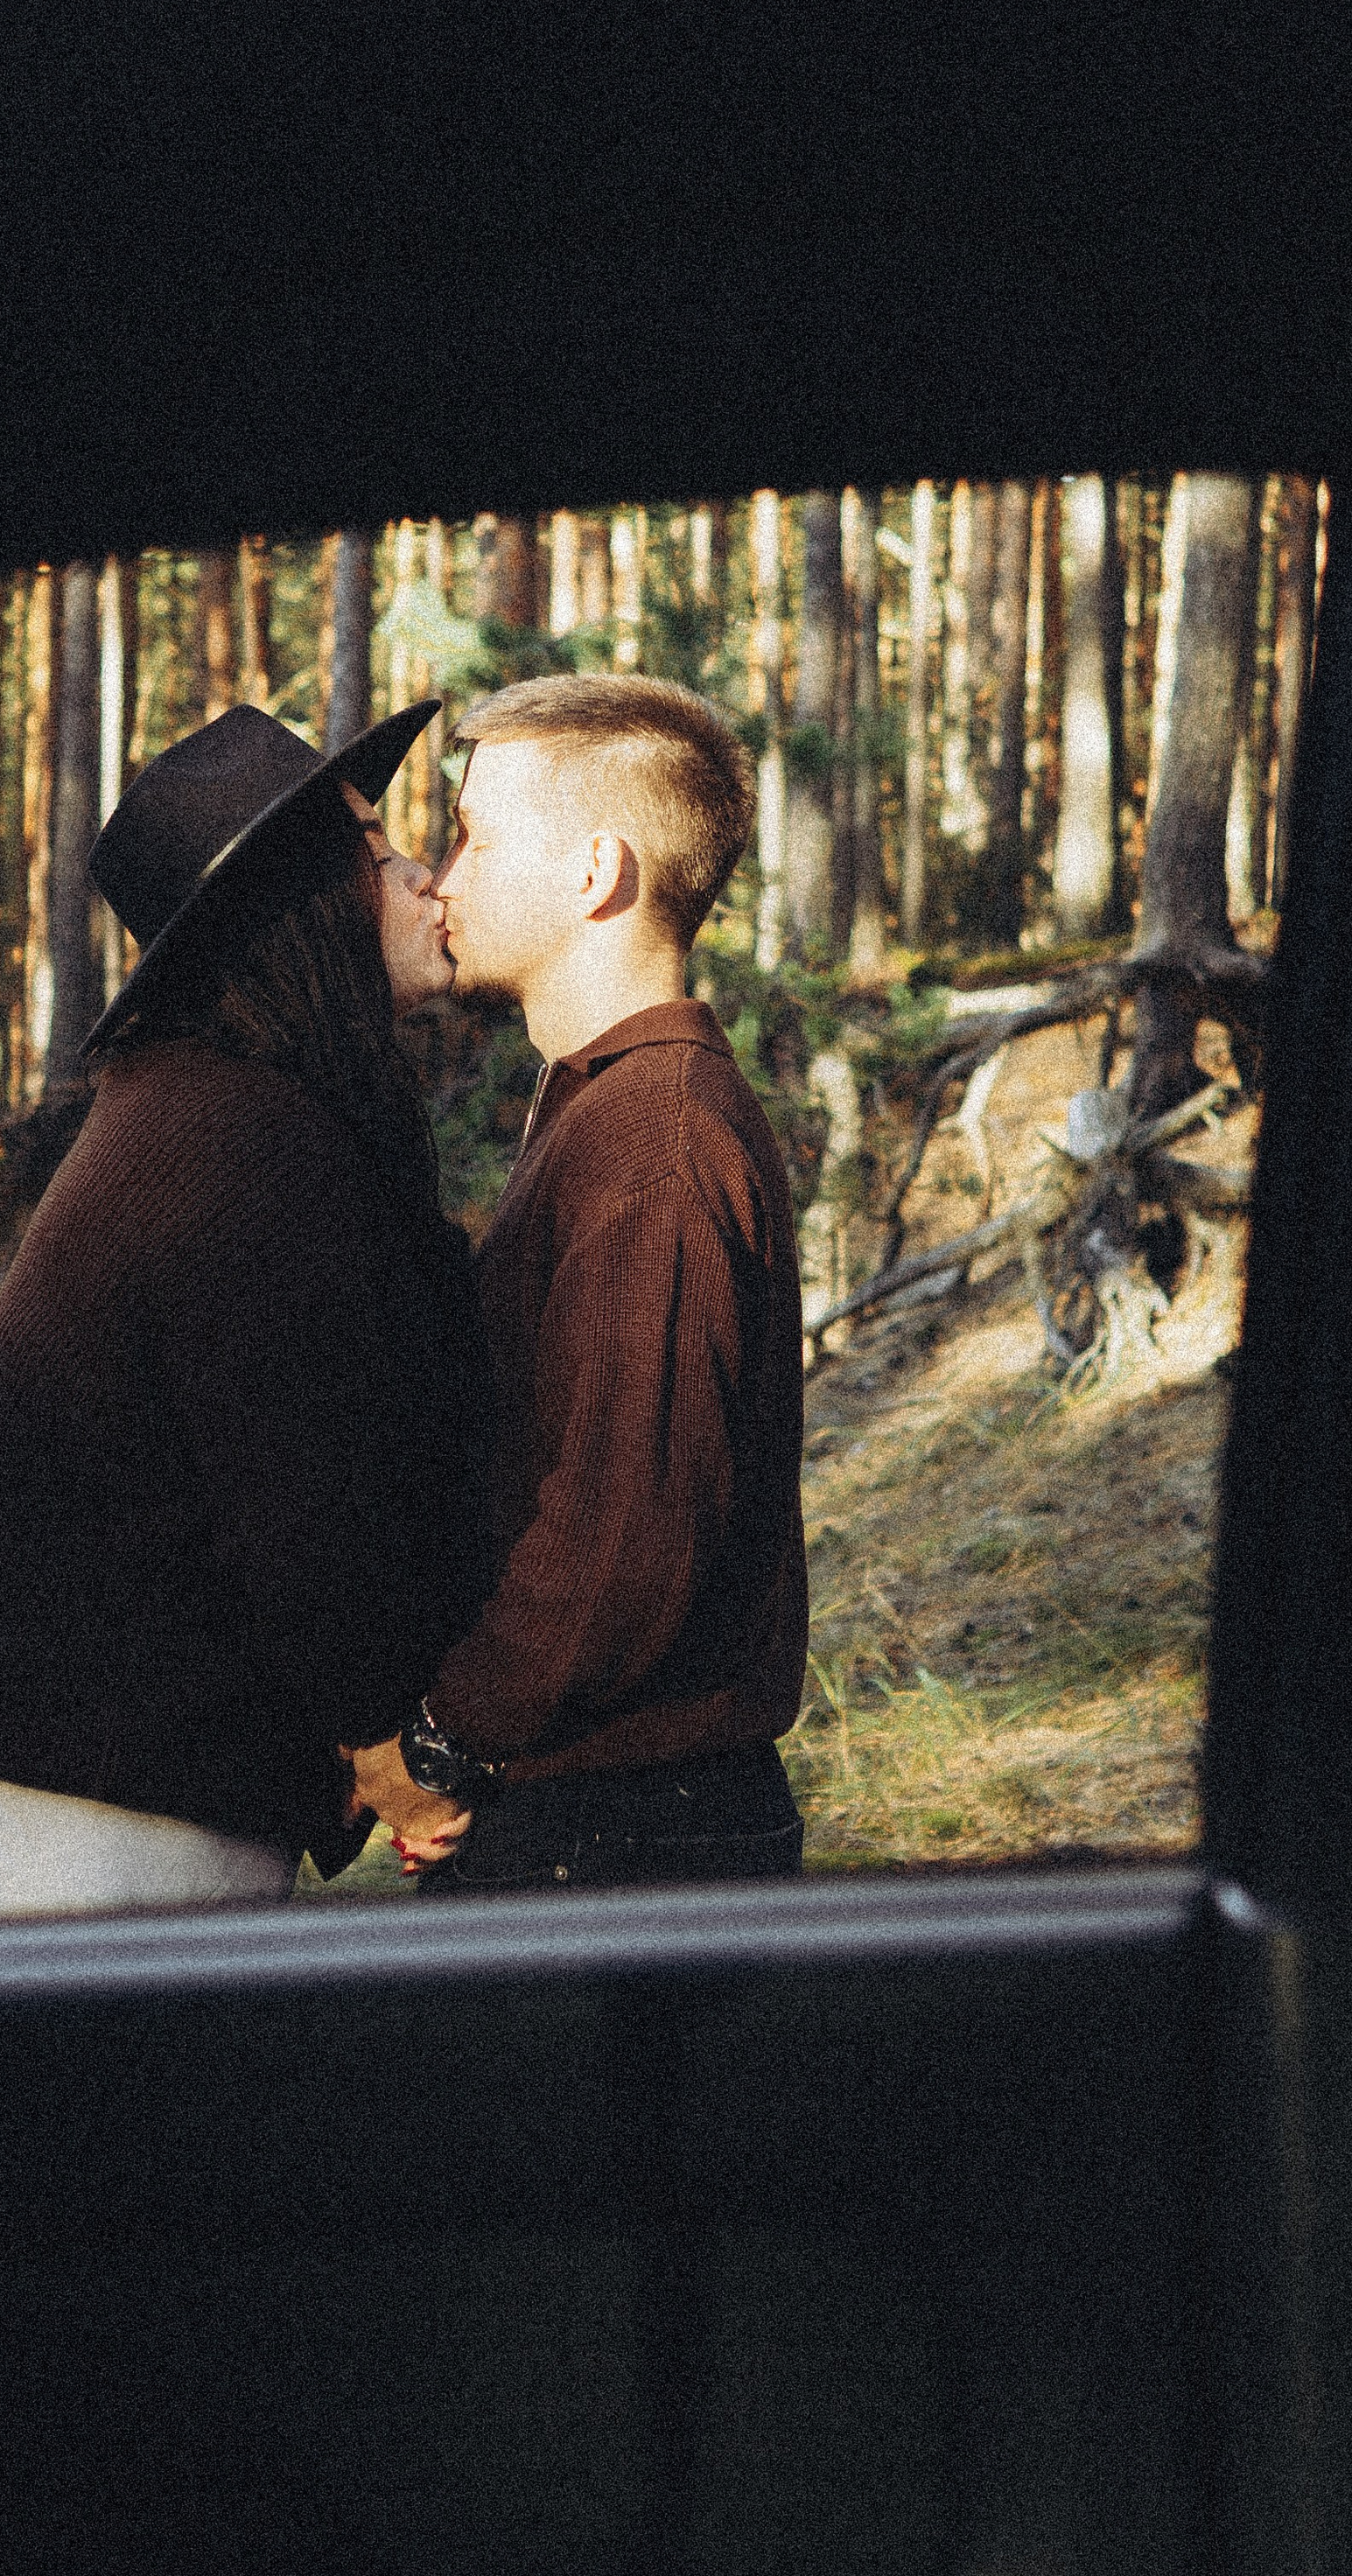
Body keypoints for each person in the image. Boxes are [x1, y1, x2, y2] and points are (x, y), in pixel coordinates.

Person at [0, 696, 489, 1929]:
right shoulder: (247, 1141)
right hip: (1, 1835)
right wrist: (381, 1756)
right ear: (296, 908)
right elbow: (308, 1513)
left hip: (53, 1818)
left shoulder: (223, 1111)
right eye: (375, 848)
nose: (421, 874)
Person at [347, 673, 809, 1890]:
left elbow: (623, 1541)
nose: (441, 877)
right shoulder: (607, 1106)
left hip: (625, 1835)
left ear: (596, 873)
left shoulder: (655, 1137)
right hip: (596, 1816)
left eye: (475, 836)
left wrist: (439, 1746)